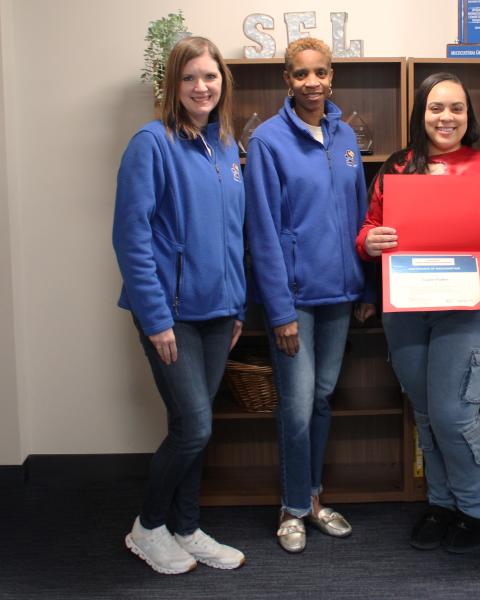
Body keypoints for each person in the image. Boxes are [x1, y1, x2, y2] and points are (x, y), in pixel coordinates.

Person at [357, 72, 480, 554]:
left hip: (467, 312)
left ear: (467, 116)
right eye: (436, 108)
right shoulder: (397, 166)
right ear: (421, 113)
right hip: (407, 312)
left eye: (455, 108)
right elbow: (369, 230)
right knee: (428, 415)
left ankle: (476, 509)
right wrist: (369, 241)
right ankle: (440, 503)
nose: (445, 117)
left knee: (455, 415)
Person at [113, 36, 246, 575]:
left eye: (210, 76)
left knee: (196, 423)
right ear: (173, 84)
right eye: (190, 77)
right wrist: (155, 318)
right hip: (172, 316)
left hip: (218, 315)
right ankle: (148, 526)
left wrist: (237, 306)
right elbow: (132, 237)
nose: (201, 86)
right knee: (194, 426)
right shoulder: (151, 143)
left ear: (222, 83)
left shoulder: (228, 147)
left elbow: (234, 235)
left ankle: (186, 527)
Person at [243, 38, 373, 554]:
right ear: (287, 81)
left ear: (332, 75)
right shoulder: (268, 141)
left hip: (340, 296)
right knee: (296, 407)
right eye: (301, 74)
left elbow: (362, 214)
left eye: (320, 72)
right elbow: (263, 234)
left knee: (321, 398)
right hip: (293, 300)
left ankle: (315, 498)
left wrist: (366, 286)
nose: (312, 82)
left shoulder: (344, 138)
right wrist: (278, 311)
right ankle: (293, 506)